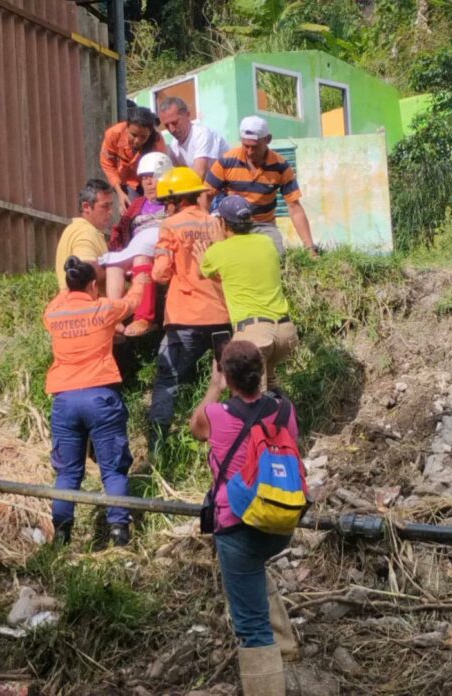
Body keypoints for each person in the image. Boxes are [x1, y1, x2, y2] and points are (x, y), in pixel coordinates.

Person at [189, 341, 299, 696]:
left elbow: (195, 425)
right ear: (261, 372)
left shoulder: (217, 416)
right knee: (253, 572)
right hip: (280, 520)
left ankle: (269, 683)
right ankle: (285, 646)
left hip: (239, 527)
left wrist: (214, 386)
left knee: (251, 627)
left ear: (226, 374)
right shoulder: (284, 411)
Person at [44, 256, 149, 546]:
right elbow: (133, 301)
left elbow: (65, 295)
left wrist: (74, 278)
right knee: (112, 469)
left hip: (64, 400)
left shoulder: (53, 313)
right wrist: (141, 276)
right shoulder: (102, 309)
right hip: (99, 397)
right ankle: (119, 532)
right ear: (93, 285)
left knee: (67, 471)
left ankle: (62, 535)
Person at [148, 166, 230, 452]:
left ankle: (158, 449)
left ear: (175, 200)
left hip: (185, 317)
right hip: (221, 315)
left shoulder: (170, 226)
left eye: (165, 203)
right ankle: (226, 441)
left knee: (167, 381)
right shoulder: (215, 223)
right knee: (226, 379)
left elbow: (159, 273)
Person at [196, 195, 298, 392]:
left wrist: (215, 246)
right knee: (269, 385)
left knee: (249, 398)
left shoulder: (219, 251)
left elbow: (200, 273)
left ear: (222, 222)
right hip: (285, 332)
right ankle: (288, 419)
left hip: (255, 335)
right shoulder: (267, 242)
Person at [205, 115, 316, 256]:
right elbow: (206, 197)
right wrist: (204, 225)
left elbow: (294, 208)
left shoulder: (281, 166)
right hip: (231, 224)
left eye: (255, 147)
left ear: (268, 140)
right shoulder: (226, 162)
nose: (250, 152)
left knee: (275, 257)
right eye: (246, 146)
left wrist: (310, 247)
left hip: (264, 225)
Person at [100, 152, 173, 337]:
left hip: (160, 251)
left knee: (142, 256)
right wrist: (116, 250)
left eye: (153, 177)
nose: (148, 183)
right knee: (113, 264)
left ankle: (144, 318)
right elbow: (121, 229)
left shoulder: (174, 202)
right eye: (144, 178)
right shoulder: (137, 204)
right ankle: (115, 318)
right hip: (135, 247)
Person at [100, 106, 168, 211]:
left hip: (149, 184)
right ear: (127, 126)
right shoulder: (113, 134)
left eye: (143, 136)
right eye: (133, 135)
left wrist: (151, 192)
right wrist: (119, 192)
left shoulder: (157, 142)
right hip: (123, 181)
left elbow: (162, 173)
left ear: (150, 132)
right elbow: (107, 164)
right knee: (127, 213)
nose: (137, 141)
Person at [55, 179, 113, 290]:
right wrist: (116, 267)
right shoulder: (85, 232)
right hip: (86, 304)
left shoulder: (76, 229)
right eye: (105, 206)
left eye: (111, 206)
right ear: (86, 207)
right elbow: (84, 273)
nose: (110, 211)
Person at [158, 97, 229, 180]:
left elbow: (199, 174)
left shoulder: (201, 134)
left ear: (187, 115)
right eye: (166, 126)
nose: (172, 129)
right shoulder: (174, 146)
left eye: (175, 123)